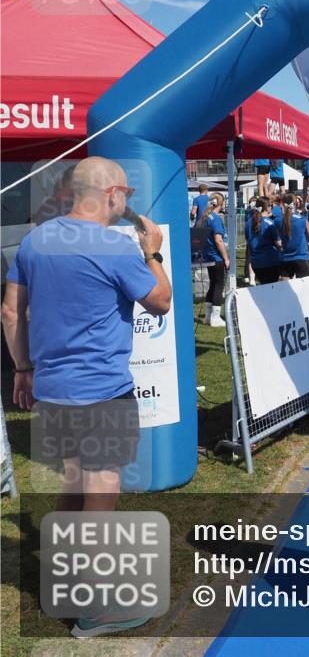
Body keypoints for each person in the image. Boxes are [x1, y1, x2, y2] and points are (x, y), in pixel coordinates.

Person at [1, 156, 171, 637]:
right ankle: (94, 607)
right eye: (127, 195)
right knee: (101, 491)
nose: (127, 203)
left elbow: (11, 314)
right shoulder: (115, 248)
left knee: (74, 485)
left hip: (53, 388)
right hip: (101, 389)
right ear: (111, 193)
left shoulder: (36, 240)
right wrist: (152, 252)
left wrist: (23, 369)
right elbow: (160, 300)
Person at [195, 192, 229, 326]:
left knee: (212, 285)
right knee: (218, 286)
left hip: (208, 256)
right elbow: (219, 240)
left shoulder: (204, 217)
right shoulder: (215, 218)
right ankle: (215, 318)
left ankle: (208, 317)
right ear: (221, 203)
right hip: (216, 257)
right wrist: (226, 258)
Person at [246, 197, 283, 285]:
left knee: (264, 287)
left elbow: (248, 241)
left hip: (256, 262)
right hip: (270, 261)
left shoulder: (248, 223)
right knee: (272, 289)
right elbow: (278, 244)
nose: (272, 208)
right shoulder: (270, 223)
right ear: (266, 207)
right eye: (271, 206)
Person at [278, 192, 309, 278]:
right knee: (302, 289)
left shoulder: (278, 221)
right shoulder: (302, 220)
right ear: (295, 204)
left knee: (284, 289)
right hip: (301, 256)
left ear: (282, 204)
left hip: (285, 257)